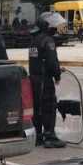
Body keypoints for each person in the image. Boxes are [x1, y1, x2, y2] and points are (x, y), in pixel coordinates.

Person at [28, 12, 67, 149]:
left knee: (37, 108)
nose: (54, 27)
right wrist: (57, 75)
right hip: (45, 80)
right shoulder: (48, 40)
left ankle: (38, 136)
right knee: (49, 107)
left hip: (34, 79)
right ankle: (50, 136)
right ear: (46, 26)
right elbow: (51, 62)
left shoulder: (34, 39)